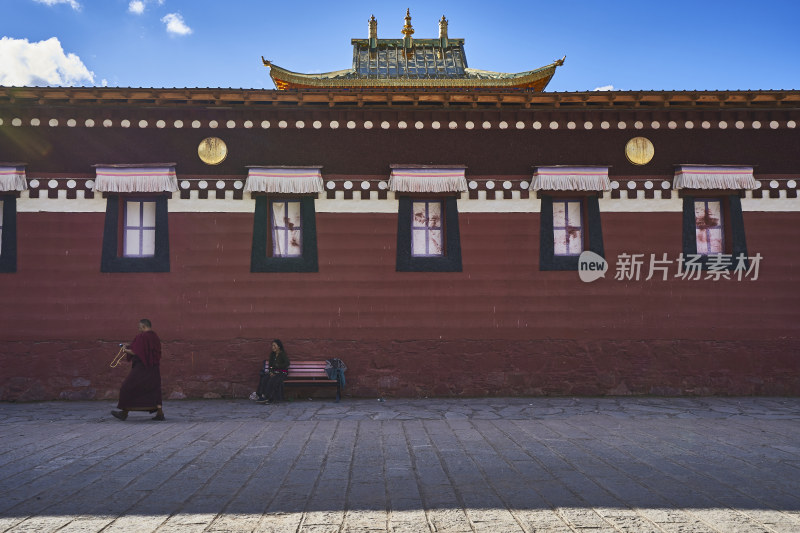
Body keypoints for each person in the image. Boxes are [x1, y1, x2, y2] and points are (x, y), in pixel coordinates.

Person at [111, 319, 165, 421]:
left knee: (127, 387)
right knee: (154, 389)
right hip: (153, 368)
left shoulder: (142, 336)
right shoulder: (155, 336)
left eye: (139, 327)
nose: (138, 328)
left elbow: (136, 352)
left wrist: (124, 350)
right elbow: (145, 350)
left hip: (142, 368)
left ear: (144, 326)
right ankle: (160, 414)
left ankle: (124, 413)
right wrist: (130, 347)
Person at [261, 339, 289, 404]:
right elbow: (270, 365)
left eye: (274, 345)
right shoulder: (272, 355)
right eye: (272, 346)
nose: (272, 347)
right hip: (274, 372)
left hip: (282, 372)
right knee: (265, 378)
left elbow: (287, 363)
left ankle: (269, 398)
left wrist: (278, 366)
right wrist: (270, 371)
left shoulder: (282, 354)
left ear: (279, 346)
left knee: (273, 380)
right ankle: (263, 396)